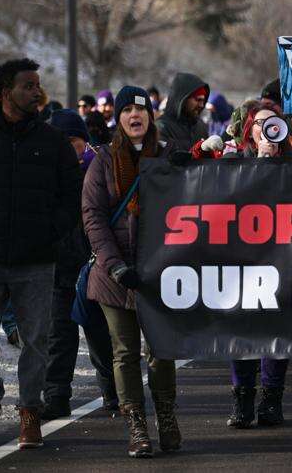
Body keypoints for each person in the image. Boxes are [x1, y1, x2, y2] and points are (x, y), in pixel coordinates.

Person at [82, 86, 180, 458]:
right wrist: (115, 265)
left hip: (160, 274)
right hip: (115, 276)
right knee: (124, 353)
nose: (134, 116)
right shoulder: (104, 161)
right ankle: (136, 425)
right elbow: (93, 218)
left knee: (161, 349)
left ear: (151, 117)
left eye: (141, 110)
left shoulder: (168, 155)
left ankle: (166, 415)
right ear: (119, 118)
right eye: (127, 110)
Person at [0, 58, 82, 448]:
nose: (36, 92)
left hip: (36, 260)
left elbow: (72, 193)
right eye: (27, 86)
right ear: (5, 92)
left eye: (37, 85)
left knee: (36, 340)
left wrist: (52, 234)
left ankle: (30, 411)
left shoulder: (52, 142)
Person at [195, 103, 292, 429]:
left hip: (281, 260)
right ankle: (242, 398)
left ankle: (272, 399)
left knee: (277, 332)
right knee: (241, 331)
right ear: (250, 129)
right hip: (241, 261)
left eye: (273, 123)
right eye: (260, 123)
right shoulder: (234, 161)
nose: (267, 129)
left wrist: (276, 163)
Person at [43, 109, 117, 420]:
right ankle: (56, 395)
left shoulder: (100, 168)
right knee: (59, 334)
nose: (66, 149)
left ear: (83, 141)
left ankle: (113, 392)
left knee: (99, 331)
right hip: (59, 264)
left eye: (71, 141)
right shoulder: (46, 173)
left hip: (95, 264)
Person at [155, 72, 210, 151]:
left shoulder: (200, 127)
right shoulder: (161, 128)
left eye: (203, 101)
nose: (201, 105)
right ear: (183, 99)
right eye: (198, 100)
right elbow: (167, 157)